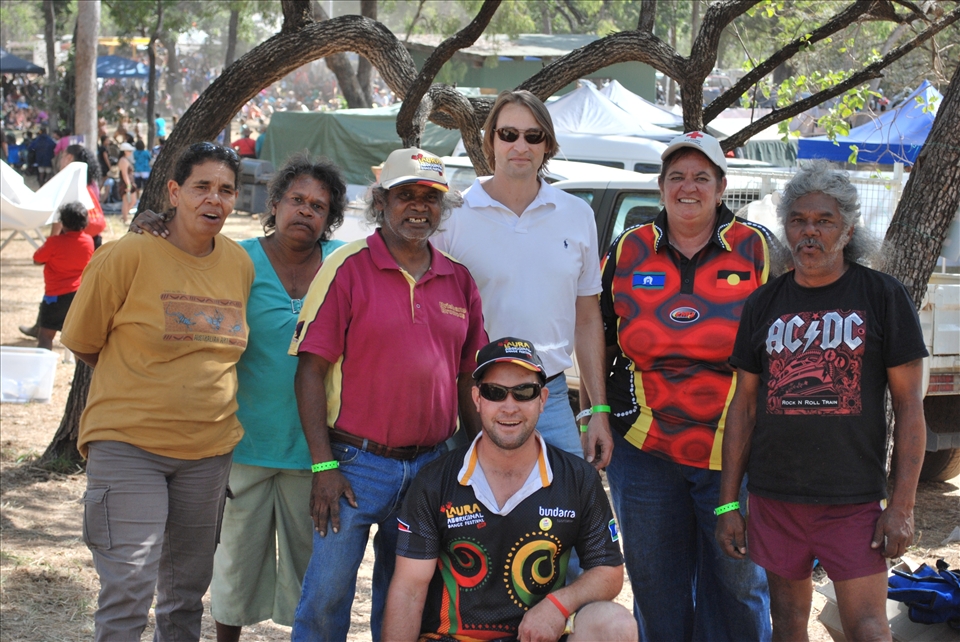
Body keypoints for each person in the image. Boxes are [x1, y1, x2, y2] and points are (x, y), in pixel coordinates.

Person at [130, 153, 350, 642]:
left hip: (314, 451)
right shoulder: (236, 258)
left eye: (319, 205)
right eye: (296, 199)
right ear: (274, 203)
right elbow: (181, 263)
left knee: (311, 572)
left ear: (330, 218)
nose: (306, 211)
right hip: (241, 443)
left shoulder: (342, 265)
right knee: (232, 566)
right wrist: (153, 224)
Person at [716, 161, 928, 642]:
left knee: (869, 629)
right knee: (788, 624)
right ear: (786, 229)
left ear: (848, 228)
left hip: (852, 501)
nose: (809, 232)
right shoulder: (764, 304)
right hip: (775, 497)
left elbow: (911, 408)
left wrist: (903, 505)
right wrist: (729, 503)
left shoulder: (882, 296)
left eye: (824, 221)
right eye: (798, 220)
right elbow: (744, 407)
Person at [288, 147, 488, 641]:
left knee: (406, 599)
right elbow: (310, 370)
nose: (419, 207)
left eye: (431, 197)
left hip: (431, 467)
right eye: (406, 196)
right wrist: (323, 465)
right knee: (327, 596)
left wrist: (474, 458)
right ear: (381, 202)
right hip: (353, 466)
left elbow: (469, 379)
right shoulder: (348, 268)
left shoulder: (458, 279)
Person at [60, 142, 252, 641]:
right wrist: (143, 382)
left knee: (186, 594)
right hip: (128, 447)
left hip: (208, 453)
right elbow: (84, 342)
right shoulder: (128, 255)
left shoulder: (239, 264)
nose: (215, 199)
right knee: (128, 588)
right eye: (202, 186)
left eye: (226, 190)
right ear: (174, 191)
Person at [597, 131, 772, 642]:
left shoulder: (757, 247)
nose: (688, 187)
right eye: (676, 177)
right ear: (660, 187)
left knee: (738, 585)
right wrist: (595, 415)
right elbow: (600, 339)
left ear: (722, 187)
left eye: (701, 177)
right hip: (645, 450)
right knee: (657, 587)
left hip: (731, 453)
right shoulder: (629, 250)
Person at [383, 338, 637, 642]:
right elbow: (409, 589)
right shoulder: (435, 480)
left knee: (615, 625)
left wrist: (557, 606)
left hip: (535, 636)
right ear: (476, 398)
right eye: (495, 392)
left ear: (543, 399)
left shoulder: (578, 479)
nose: (509, 406)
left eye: (524, 392)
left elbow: (608, 571)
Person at [431, 90, 612, 469]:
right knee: (477, 520)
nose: (520, 145)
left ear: (547, 145)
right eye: (508, 134)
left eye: (533, 136)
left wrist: (598, 410)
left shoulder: (577, 215)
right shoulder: (453, 217)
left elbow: (587, 317)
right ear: (490, 140)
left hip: (551, 396)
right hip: (474, 397)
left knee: (566, 516)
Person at [20, 145, 107, 341]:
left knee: (47, 334)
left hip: (56, 292)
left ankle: (41, 329)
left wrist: (54, 238)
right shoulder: (91, 181)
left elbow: (39, 257)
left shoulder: (71, 182)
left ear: (69, 158)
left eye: (63, 156)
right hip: (87, 242)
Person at [31, 201, 95, 351]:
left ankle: (42, 371)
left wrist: (53, 235)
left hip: (55, 296)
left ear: (63, 222)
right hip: (78, 295)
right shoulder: (88, 241)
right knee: (77, 341)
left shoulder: (55, 242)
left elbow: (37, 260)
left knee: (45, 336)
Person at [117, 141, 136, 224]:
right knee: (127, 201)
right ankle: (125, 218)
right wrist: (128, 185)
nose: (131, 152)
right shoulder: (123, 161)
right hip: (126, 184)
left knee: (132, 201)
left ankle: (124, 216)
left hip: (129, 183)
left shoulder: (125, 160)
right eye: (129, 151)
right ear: (124, 151)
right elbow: (124, 174)